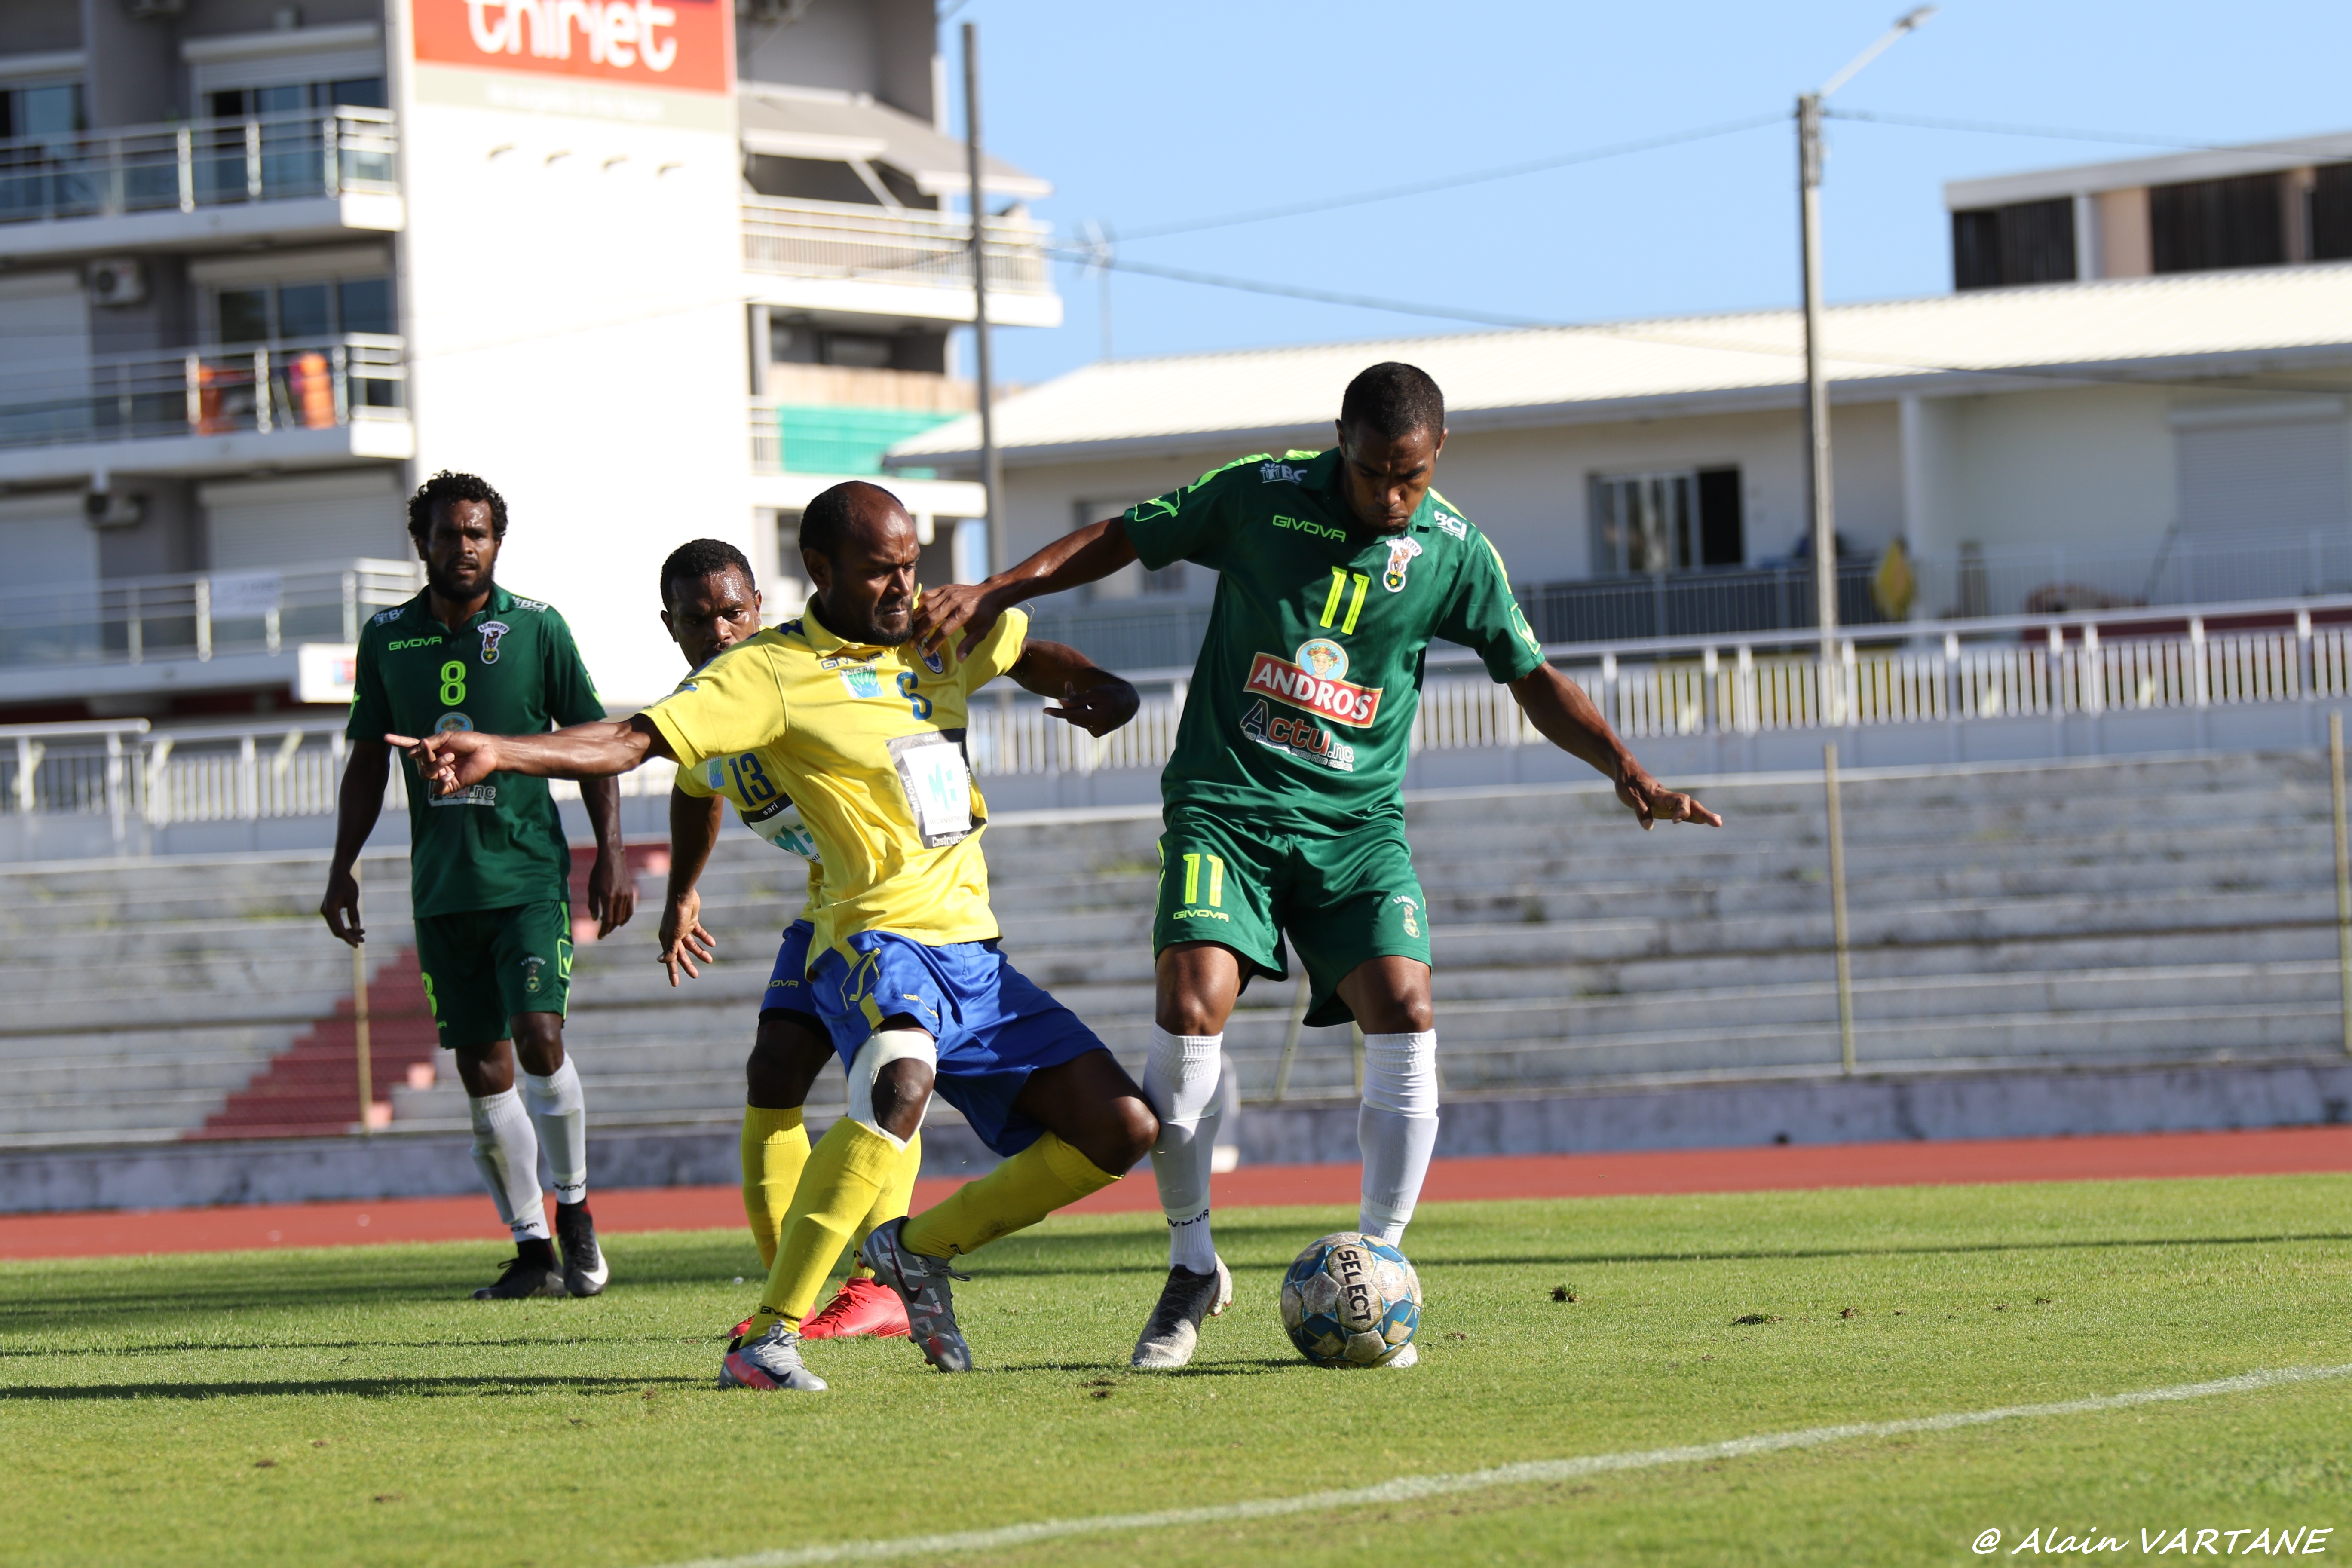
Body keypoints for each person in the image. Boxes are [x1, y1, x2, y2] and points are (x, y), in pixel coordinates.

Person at [913, 362, 1723, 1371]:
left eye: (1413, 476)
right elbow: (1123, 535)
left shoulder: (1454, 551)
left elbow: (1530, 672)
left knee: (1406, 1007)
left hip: (1356, 828)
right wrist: (996, 588)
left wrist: (1627, 769)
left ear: (1436, 460)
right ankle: (1192, 1265)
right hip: (1228, 808)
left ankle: (1380, 1266)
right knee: (1190, 1003)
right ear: (1340, 442)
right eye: (1377, 471)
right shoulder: (1259, 495)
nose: (1394, 496)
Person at [393, 480, 1158, 1391]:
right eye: (882, 571)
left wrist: (1099, 688)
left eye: (911, 566)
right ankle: (770, 1333)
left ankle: (915, 1253)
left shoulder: (935, 632)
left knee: (1124, 1129)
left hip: (976, 954)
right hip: (873, 937)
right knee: (891, 1081)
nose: (903, 586)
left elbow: (1029, 650)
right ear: (821, 572)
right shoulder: (767, 673)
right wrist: (509, 750)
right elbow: (639, 743)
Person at [321, 469, 637, 1300]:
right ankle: (531, 1248)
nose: (464, 548)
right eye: (448, 534)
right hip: (443, 888)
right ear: (419, 541)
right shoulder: (387, 637)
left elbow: (595, 740)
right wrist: (341, 865)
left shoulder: (537, 628)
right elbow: (365, 760)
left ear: (497, 541)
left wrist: (610, 849)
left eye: (478, 534)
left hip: (530, 876)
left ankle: (574, 1210)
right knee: (481, 1067)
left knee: (540, 1039)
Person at [652, 536, 915, 1340]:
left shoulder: (787, 671)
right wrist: (683, 891)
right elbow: (696, 788)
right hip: (832, 900)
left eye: (734, 612)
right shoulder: (705, 702)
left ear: (758, 607)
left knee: (889, 1075)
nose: (720, 631)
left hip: (902, 896)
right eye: (699, 620)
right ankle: (789, 1289)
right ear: (672, 627)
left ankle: (883, 1282)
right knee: (773, 1074)